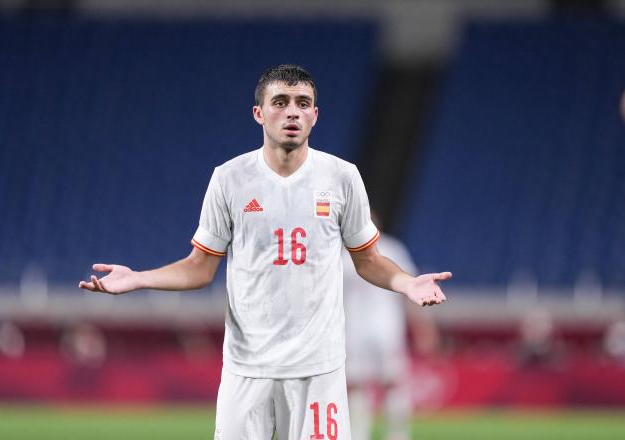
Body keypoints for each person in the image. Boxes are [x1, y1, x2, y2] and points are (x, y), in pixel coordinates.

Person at [79, 64, 451, 440]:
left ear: (314, 115)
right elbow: (199, 268)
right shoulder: (229, 179)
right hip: (247, 368)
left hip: (317, 370)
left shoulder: (342, 177)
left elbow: (367, 260)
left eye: (303, 103)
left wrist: (406, 284)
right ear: (259, 112)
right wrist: (139, 278)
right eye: (280, 102)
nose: (292, 111)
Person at [344, 228, 439, 440]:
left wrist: (423, 328)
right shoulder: (343, 253)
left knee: (391, 381)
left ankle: (397, 434)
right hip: (354, 329)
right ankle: (361, 434)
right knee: (359, 384)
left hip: (384, 327)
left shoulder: (391, 249)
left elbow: (410, 289)